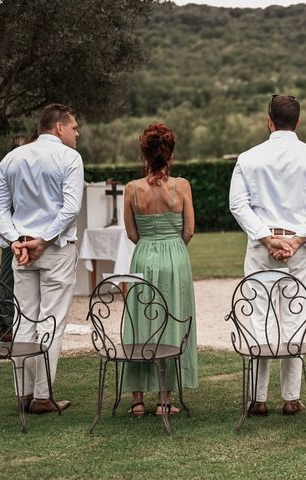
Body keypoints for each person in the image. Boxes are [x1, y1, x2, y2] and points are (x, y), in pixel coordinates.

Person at [229, 94, 306, 416]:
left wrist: (265, 238)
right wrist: (298, 239)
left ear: (269, 120)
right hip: (299, 248)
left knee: (259, 315)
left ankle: (258, 398)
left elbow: (238, 204)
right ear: (299, 122)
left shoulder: (248, 158)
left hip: (262, 247)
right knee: (295, 314)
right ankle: (291, 398)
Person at [0, 104, 84, 414]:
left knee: (24, 319)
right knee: (52, 320)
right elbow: (71, 208)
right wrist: (43, 240)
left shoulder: (11, 159)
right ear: (59, 127)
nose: (76, 134)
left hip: (22, 252)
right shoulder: (69, 158)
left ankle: (23, 393)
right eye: (74, 128)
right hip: (55, 248)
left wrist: (15, 241)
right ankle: (43, 396)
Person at [122, 123, 198, 416]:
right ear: (170, 154)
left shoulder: (132, 189)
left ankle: (137, 400)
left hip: (144, 255)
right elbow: (189, 230)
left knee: (140, 321)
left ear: (144, 154)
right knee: (172, 322)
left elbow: (131, 233)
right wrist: (173, 248)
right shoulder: (183, 186)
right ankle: (165, 400)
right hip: (176, 256)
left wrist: (149, 245)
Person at [0, 135, 30, 341]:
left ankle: (24, 324)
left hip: (31, 238)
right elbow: (1, 209)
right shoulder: (7, 173)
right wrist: (9, 239)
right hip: (11, 239)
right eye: (16, 148)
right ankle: (7, 326)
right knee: (8, 282)